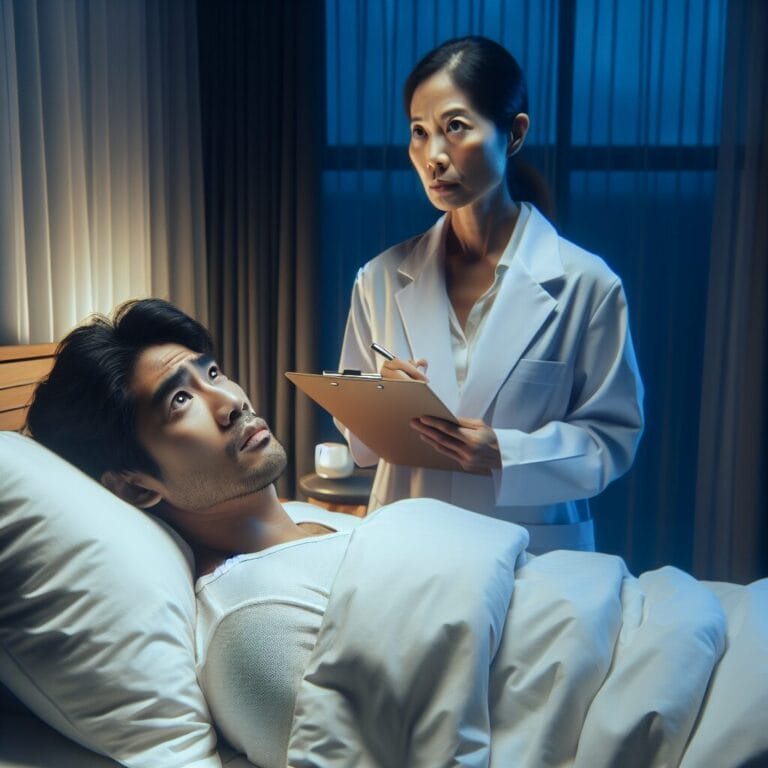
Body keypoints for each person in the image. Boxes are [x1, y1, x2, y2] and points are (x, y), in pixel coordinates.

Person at [24, 298, 767, 768]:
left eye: (212, 369)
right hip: (684, 705)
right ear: (133, 486)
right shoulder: (252, 632)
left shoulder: (317, 520)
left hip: (680, 620)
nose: (230, 398)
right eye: (181, 398)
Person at [337, 36, 644, 554]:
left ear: (514, 133)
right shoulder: (380, 279)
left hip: (534, 556)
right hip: (407, 552)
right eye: (419, 132)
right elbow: (360, 448)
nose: (433, 155)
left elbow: (611, 442)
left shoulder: (587, 285)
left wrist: (506, 453)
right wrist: (379, 397)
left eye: (455, 127)